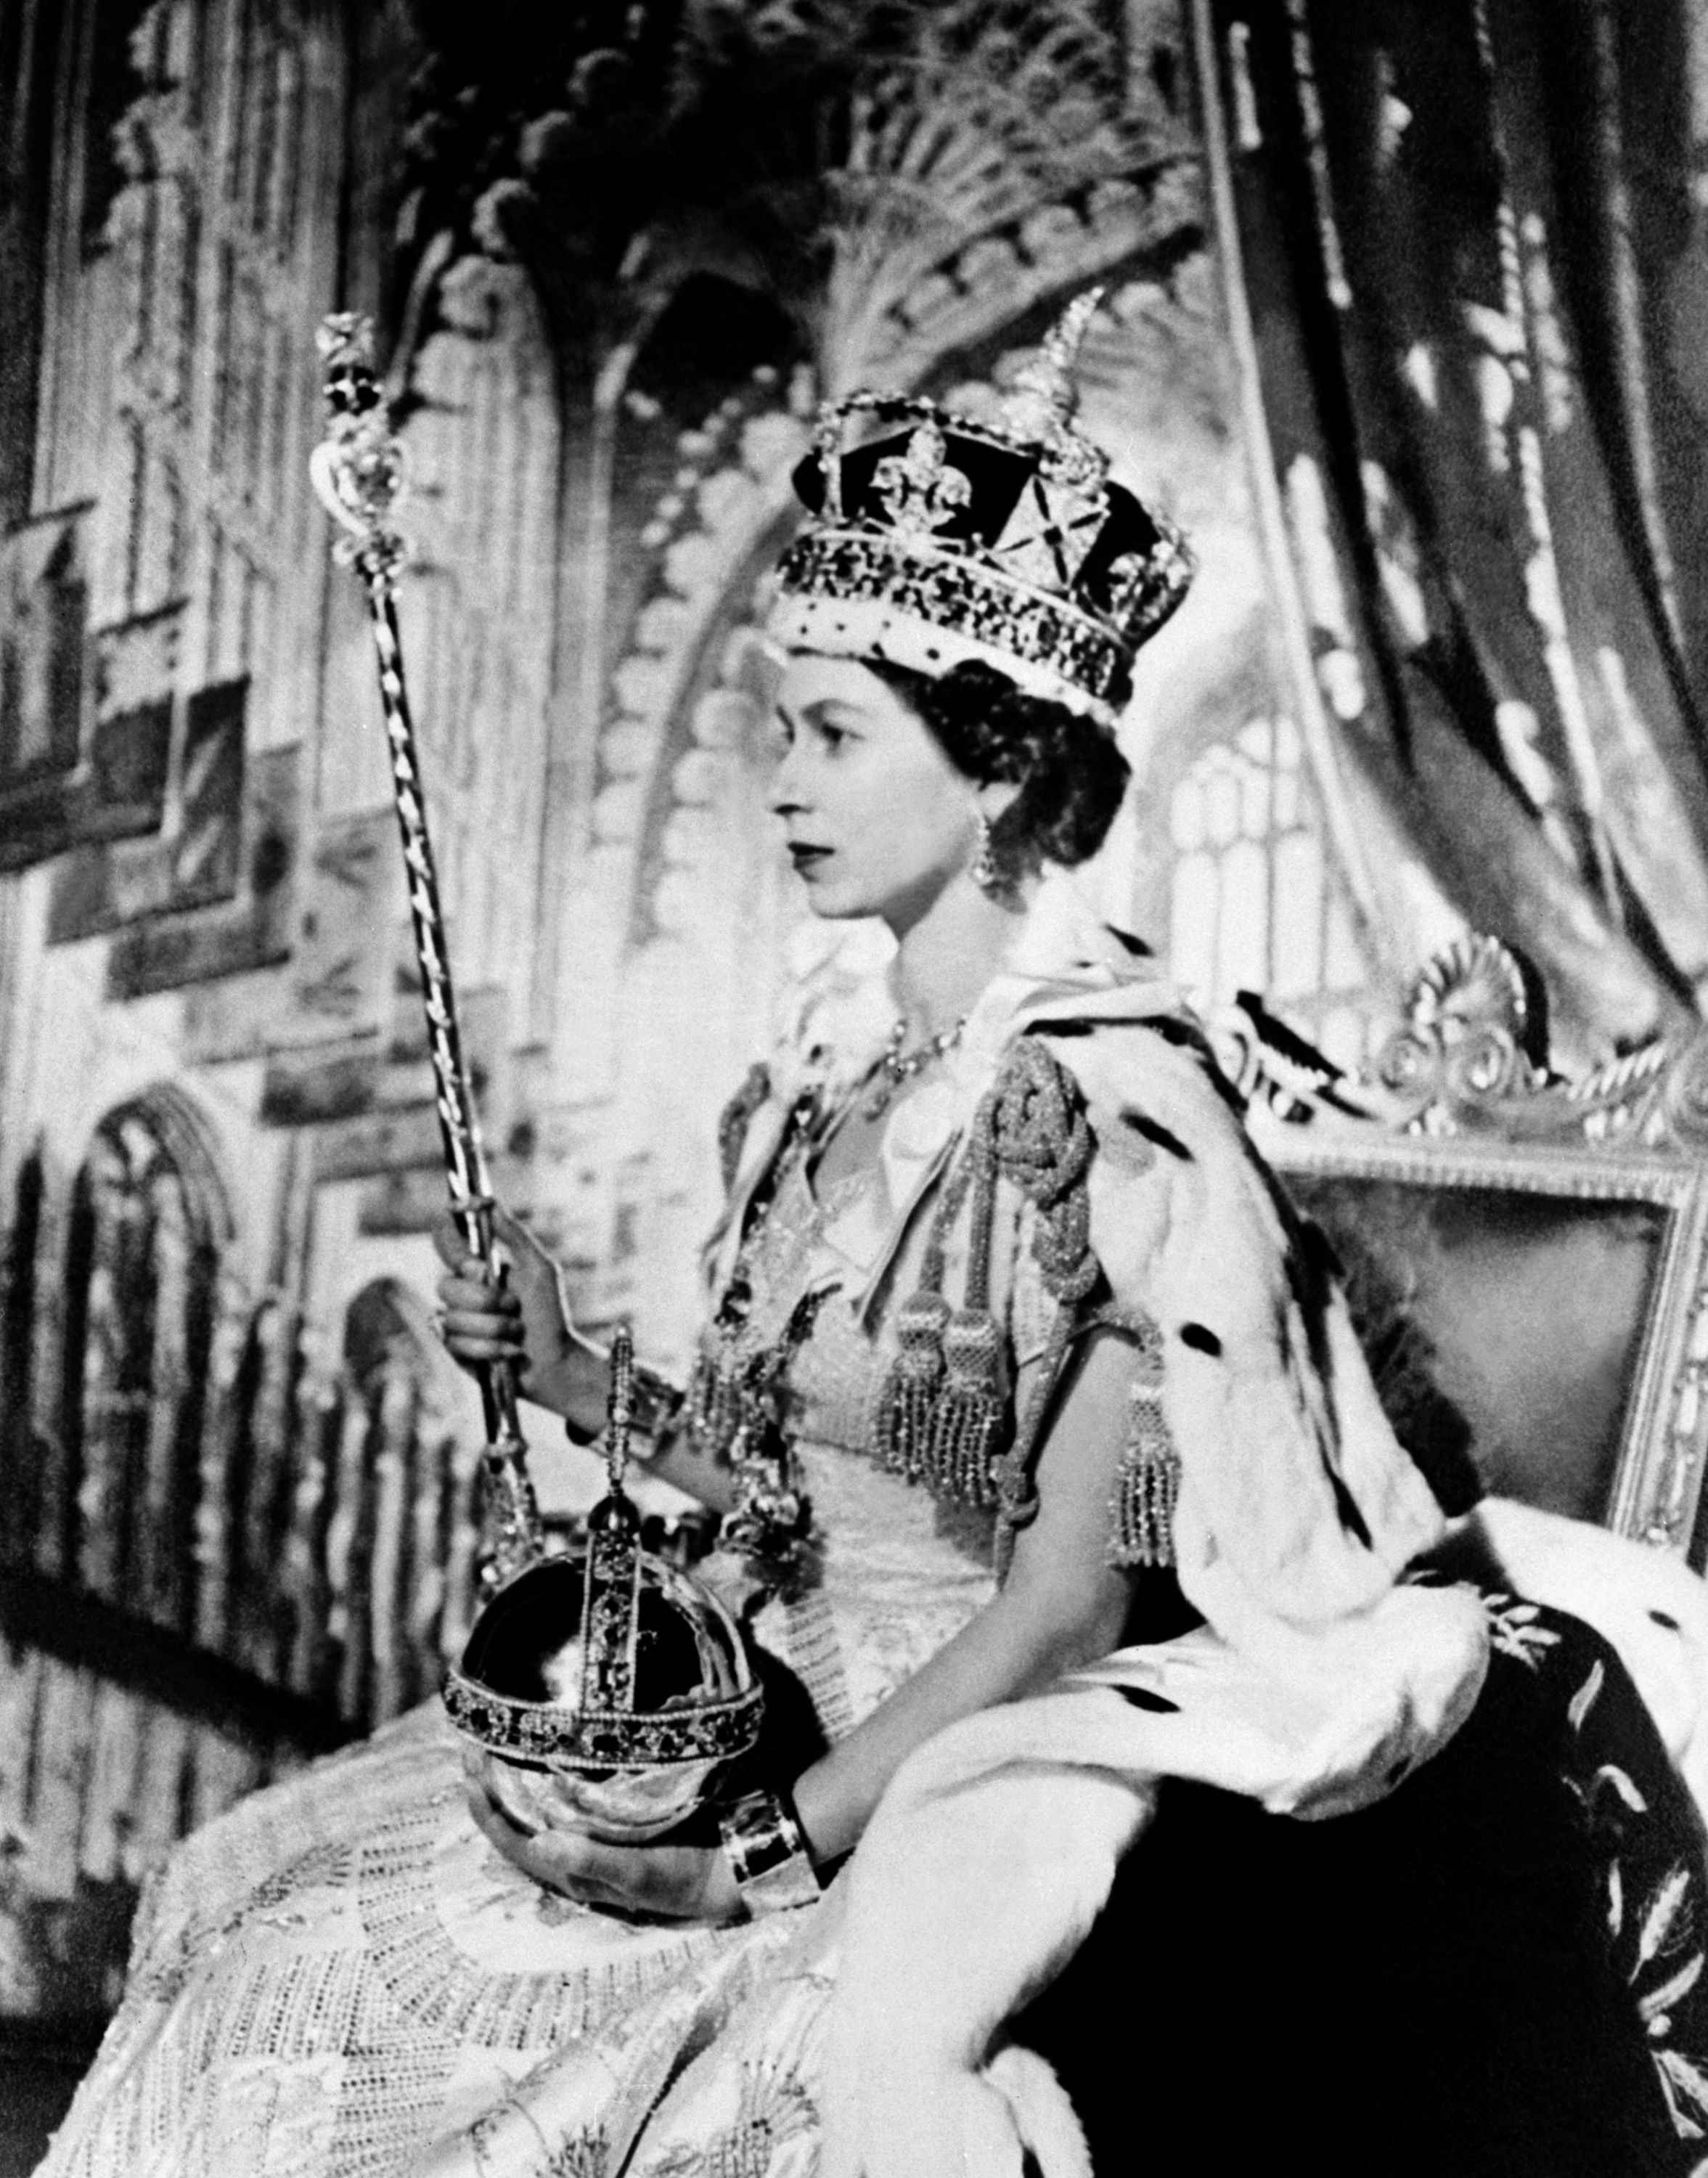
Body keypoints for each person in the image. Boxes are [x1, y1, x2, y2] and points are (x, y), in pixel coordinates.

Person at [35, 295, 1708, 2178]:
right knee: (245, 1901)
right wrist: (580, 1379)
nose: (783, 782)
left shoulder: (1117, 1119)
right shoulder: (823, 1079)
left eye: (832, 733)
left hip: (950, 1764)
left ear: (993, 764)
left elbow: (1062, 1602)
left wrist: (748, 1860)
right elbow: (777, 1489)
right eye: (775, 730)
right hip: (749, 1690)